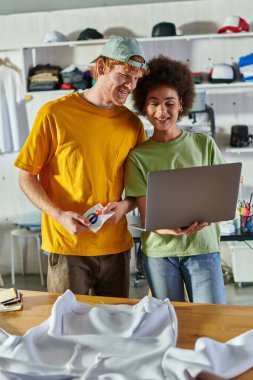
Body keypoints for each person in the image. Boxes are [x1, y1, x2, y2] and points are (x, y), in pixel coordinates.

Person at [14, 36, 149, 297]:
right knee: (66, 330)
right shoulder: (53, 114)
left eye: (136, 79)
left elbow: (141, 185)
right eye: (124, 76)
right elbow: (26, 178)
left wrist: (127, 205)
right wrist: (59, 215)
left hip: (116, 249)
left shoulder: (133, 124)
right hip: (67, 248)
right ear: (101, 67)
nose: (130, 86)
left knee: (115, 327)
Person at [125, 55, 226, 304]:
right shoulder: (137, 157)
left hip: (202, 248)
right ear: (144, 107)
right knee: (170, 327)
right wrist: (167, 228)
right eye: (154, 103)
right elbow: (148, 217)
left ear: (181, 104)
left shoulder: (204, 144)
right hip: (161, 254)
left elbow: (222, 198)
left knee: (212, 324)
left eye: (169, 103)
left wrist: (208, 217)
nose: (162, 111)